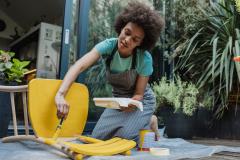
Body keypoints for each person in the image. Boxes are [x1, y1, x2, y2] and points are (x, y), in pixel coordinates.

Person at [55, 2, 164, 142]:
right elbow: (79, 66)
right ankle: (140, 123)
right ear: (121, 28)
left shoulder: (144, 58)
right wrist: (60, 94)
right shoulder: (109, 46)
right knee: (97, 138)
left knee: (124, 139)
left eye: (135, 39)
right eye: (127, 32)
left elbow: (138, 94)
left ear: (140, 43)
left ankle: (150, 121)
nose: (127, 40)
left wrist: (132, 103)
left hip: (141, 102)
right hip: (118, 100)